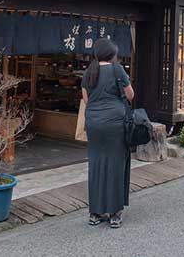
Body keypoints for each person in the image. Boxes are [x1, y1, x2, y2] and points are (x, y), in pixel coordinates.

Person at [81, 38, 135, 228]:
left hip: (94, 124)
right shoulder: (117, 70)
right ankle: (114, 214)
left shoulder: (89, 72)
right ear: (112, 55)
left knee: (96, 164)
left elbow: (86, 99)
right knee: (115, 164)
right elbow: (130, 95)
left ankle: (95, 213)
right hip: (114, 123)